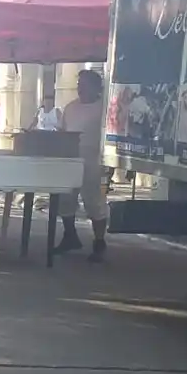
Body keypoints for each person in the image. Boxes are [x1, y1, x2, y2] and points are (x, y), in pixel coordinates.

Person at [57, 69, 109, 261]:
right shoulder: (70, 108)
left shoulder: (104, 109)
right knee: (65, 199)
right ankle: (70, 236)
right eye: (79, 84)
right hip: (71, 159)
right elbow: (63, 132)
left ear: (96, 87)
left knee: (95, 201)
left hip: (95, 161)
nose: (80, 88)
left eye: (84, 84)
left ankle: (99, 242)